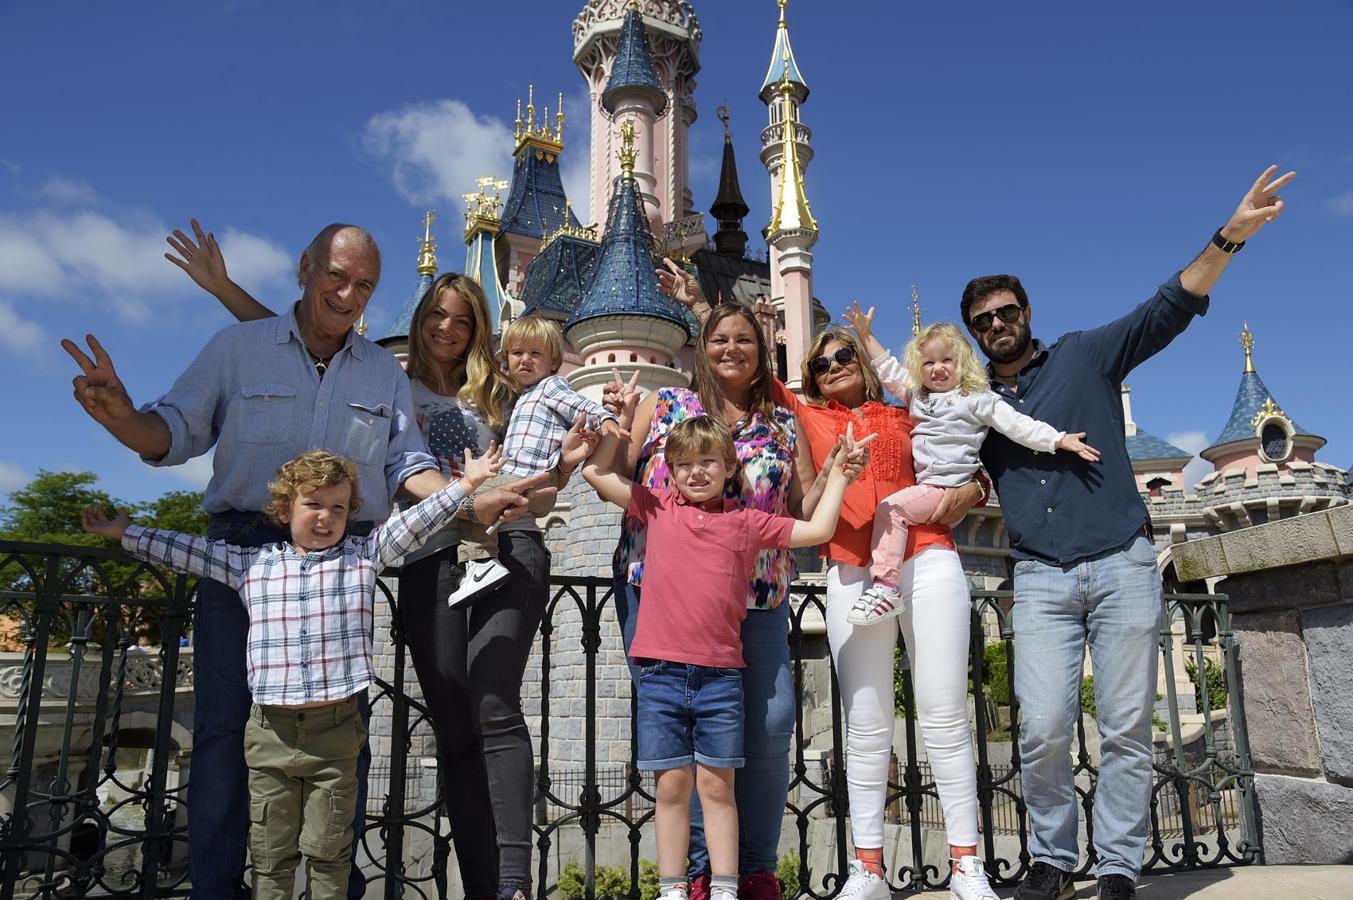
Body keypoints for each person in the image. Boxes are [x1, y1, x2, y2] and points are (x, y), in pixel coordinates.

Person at [165, 221, 575, 900]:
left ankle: (502, 885)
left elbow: (545, 455)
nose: (448, 328)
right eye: (437, 314)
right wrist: (223, 289)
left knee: (491, 710)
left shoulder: (499, 390)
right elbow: (302, 336)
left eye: (464, 319)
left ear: (482, 329)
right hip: (423, 558)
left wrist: (570, 461)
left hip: (494, 551)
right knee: (440, 725)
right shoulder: (390, 375)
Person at [960, 165, 1294, 900]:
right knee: (1043, 727)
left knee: (1125, 727)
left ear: (1026, 312)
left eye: (1005, 311)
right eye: (982, 321)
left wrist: (1229, 236)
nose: (996, 325)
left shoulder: (1084, 355)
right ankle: (1053, 858)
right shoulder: (973, 405)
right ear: (974, 334)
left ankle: (1115, 866)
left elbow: (1166, 308)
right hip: (1038, 575)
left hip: (1121, 562)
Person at [652, 262, 993, 900]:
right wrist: (701, 309)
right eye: (821, 362)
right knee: (865, 721)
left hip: (926, 557)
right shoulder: (804, 415)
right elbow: (740, 366)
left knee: (944, 712)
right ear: (808, 376)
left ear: (865, 363)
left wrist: (978, 485)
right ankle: (868, 869)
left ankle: (966, 864)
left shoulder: (906, 410)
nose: (833, 365)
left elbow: (971, 447)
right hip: (850, 567)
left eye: (845, 356)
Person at [81, 446, 501, 900]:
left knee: (330, 850)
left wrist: (467, 484)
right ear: (285, 510)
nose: (326, 516)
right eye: (313, 504)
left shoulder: (363, 555)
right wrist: (125, 533)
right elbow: (188, 551)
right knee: (270, 853)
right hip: (271, 733)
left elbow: (416, 521)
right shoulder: (252, 564)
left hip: (336, 733)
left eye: (338, 507)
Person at [601, 302, 834, 900]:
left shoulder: (782, 424)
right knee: (685, 735)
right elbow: (616, 474)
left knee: (772, 722)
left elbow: (802, 509)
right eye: (719, 339)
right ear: (702, 348)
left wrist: (838, 474)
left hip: (757, 592)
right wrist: (617, 423)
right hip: (662, 591)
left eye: (744, 339)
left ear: (763, 350)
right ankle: (701, 873)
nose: (732, 349)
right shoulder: (666, 404)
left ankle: (754, 868)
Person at [841, 317, 1099, 624]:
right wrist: (866, 334)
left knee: (890, 510)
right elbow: (888, 369)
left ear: (961, 362)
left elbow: (1019, 425)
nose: (937, 368)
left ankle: (885, 587)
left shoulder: (978, 398)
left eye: (946, 360)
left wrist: (1057, 439)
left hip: (945, 486)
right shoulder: (917, 395)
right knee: (900, 515)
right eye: (928, 363)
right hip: (929, 488)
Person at [448, 314, 621, 607]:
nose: (525, 360)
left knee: (466, 497)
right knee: (482, 504)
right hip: (532, 481)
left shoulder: (550, 386)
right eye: (517, 353)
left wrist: (606, 418)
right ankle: (482, 559)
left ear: (553, 362)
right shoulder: (523, 396)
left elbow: (580, 407)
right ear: (506, 359)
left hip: (526, 477)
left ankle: (481, 562)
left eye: (535, 353)